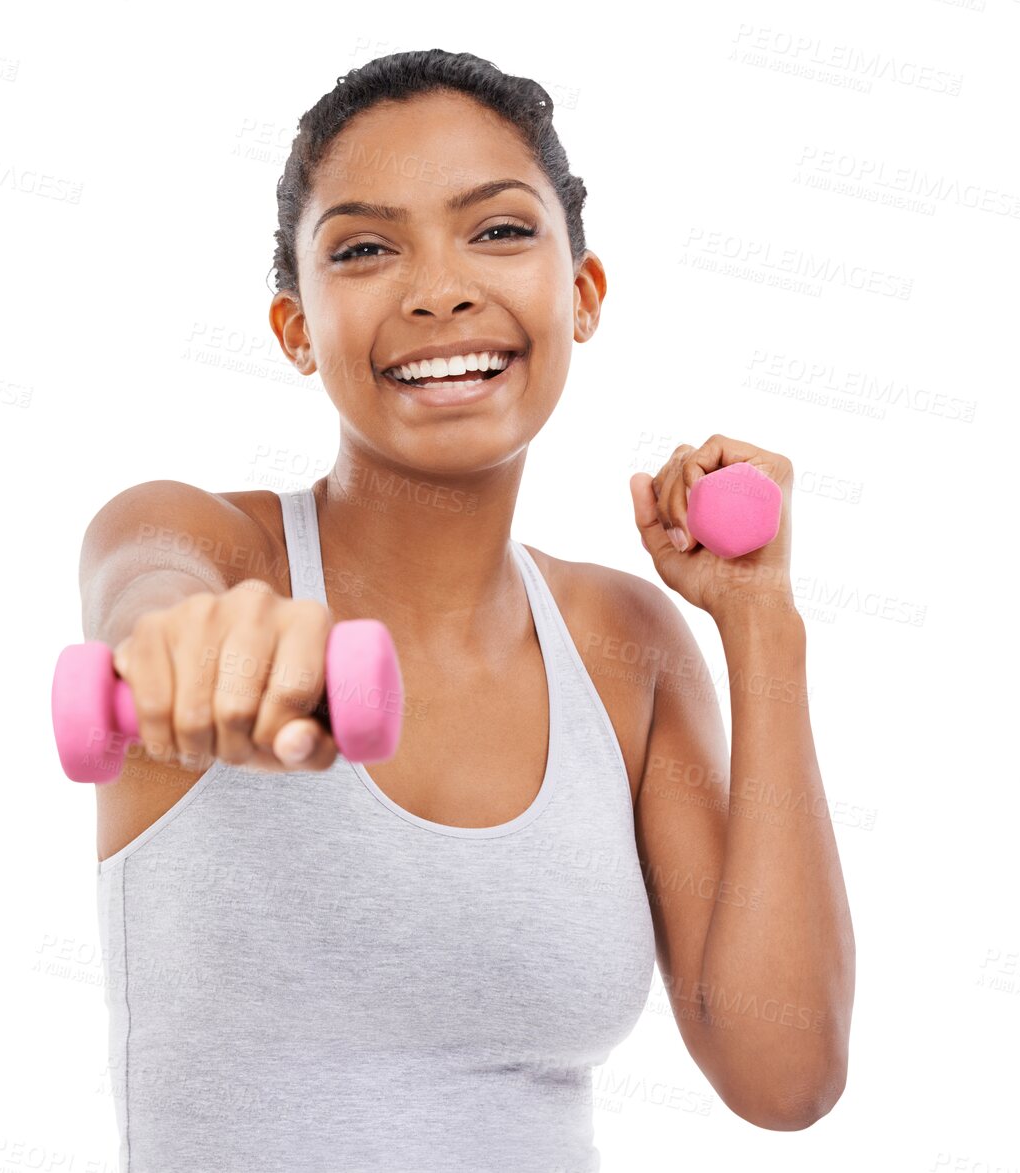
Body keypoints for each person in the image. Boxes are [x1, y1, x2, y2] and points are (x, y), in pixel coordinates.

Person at [79, 48, 854, 1172]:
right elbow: (145, 589)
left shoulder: (627, 646)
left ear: (580, 294)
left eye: (497, 231)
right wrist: (186, 651)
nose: (440, 288)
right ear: (296, 328)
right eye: (364, 248)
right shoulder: (213, 547)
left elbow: (785, 1076)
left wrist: (763, 624)